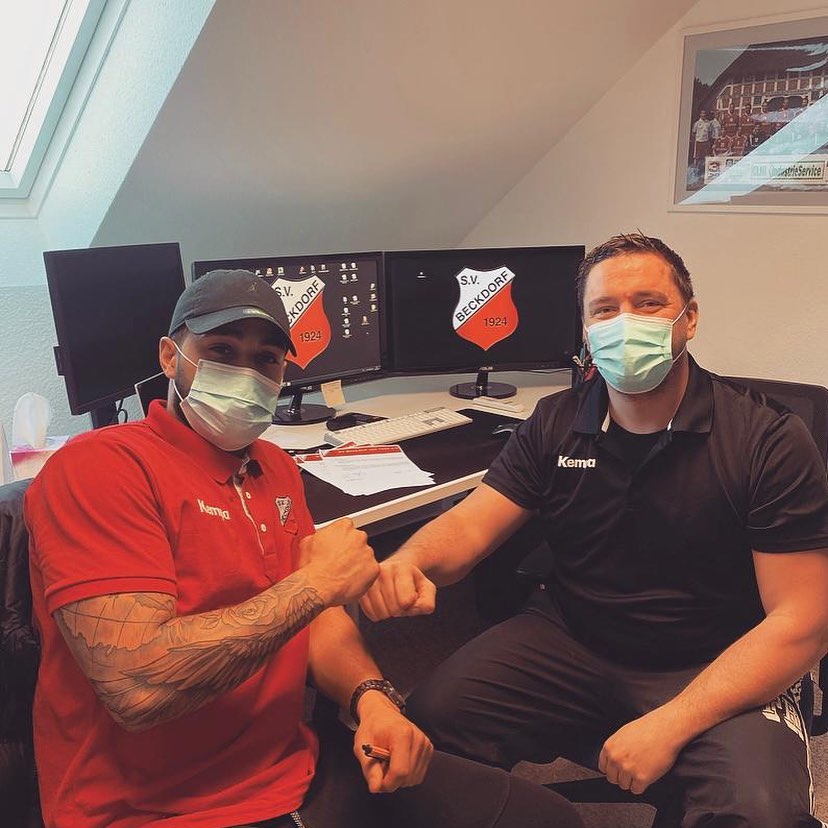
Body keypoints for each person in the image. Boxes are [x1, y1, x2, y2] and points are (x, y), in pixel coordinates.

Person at [24, 270, 583, 828]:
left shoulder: (275, 468)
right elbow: (136, 687)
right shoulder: (101, 469)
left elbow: (317, 620)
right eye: (221, 351)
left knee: (548, 819)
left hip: (291, 767)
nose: (245, 373)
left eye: (266, 359)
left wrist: (371, 697)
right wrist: (315, 584)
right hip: (158, 809)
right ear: (171, 357)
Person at [361, 234, 828, 827]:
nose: (625, 322)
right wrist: (409, 561)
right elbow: (468, 528)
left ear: (689, 319)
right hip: (572, 638)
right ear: (585, 331)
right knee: (425, 737)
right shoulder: (555, 421)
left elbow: (803, 621)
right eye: (605, 309)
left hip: (716, 657)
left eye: (648, 303)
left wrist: (672, 723)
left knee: (760, 813)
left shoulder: (766, 439)